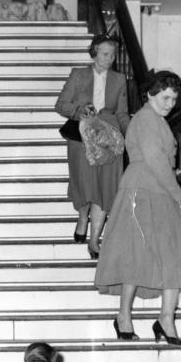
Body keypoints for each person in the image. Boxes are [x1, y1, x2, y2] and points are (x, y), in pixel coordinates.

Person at [95, 70, 181, 345]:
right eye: (165, 97)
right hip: (141, 191)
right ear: (151, 94)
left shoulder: (158, 121)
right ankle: (123, 316)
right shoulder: (144, 120)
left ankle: (166, 318)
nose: (170, 104)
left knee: (174, 255)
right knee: (135, 255)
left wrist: (175, 193)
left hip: (161, 192)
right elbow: (155, 161)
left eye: (174, 99)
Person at [55, 34, 130, 258]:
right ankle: (82, 216)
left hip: (110, 136)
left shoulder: (119, 79)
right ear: (94, 52)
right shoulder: (79, 75)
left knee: (106, 187)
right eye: (105, 54)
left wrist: (130, 137)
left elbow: (123, 113)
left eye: (113, 55)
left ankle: (95, 240)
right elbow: (60, 105)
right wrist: (79, 112)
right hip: (82, 135)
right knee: (85, 184)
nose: (110, 59)